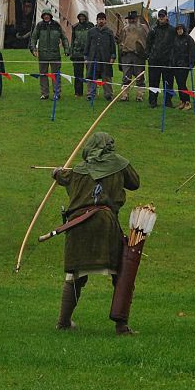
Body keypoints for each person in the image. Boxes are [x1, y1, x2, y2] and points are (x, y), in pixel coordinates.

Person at [52, 132, 140, 335]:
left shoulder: (78, 170)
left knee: (75, 275)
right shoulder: (119, 163)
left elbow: (63, 177)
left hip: (78, 224)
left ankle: (63, 322)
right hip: (105, 224)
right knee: (121, 274)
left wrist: (57, 173)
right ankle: (121, 326)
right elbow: (134, 182)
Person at [28, 7, 69, 100]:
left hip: (55, 55)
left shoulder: (57, 25)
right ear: (42, 16)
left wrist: (67, 49)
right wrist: (33, 49)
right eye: (44, 15)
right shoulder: (39, 25)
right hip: (43, 55)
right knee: (43, 75)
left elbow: (64, 37)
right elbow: (33, 38)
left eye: (47, 15)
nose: (46, 17)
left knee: (56, 75)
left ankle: (57, 93)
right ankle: (44, 93)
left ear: (50, 16)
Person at [144, 9, 176, 108]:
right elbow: (148, 44)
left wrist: (173, 58)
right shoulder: (153, 30)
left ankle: (168, 101)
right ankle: (152, 101)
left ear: (166, 17)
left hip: (167, 61)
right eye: (160, 16)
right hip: (154, 61)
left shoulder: (172, 30)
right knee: (153, 82)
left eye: (163, 16)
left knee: (168, 82)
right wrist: (148, 56)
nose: (161, 18)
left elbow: (175, 44)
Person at [116, 10, 148, 102]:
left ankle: (140, 95)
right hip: (127, 55)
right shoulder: (124, 29)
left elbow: (149, 40)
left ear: (137, 18)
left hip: (139, 55)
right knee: (126, 76)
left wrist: (145, 52)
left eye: (133, 18)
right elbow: (120, 41)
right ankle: (124, 95)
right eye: (130, 19)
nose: (131, 20)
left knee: (140, 76)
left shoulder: (144, 28)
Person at [85, 12, 117, 102]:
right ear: (97, 20)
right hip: (93, 57)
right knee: (92, 76)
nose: (101, 21)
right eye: (99, 19)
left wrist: (113, 57)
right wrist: (86, 57)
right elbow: (87, 45)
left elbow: (113, 46)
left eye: (102, 19)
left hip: (105, 58)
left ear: (105, 20)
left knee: (106, 76)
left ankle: (108, 94)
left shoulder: (109, 32)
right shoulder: (91, 32)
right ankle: (90, 94)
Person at [171, 23, 195, 110]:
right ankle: (182, 101)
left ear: (183, 29)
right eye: (178, 29)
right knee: (179, 84)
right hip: (176, 65)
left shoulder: (189, 39)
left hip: (184, 65)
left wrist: (191, 63)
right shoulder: (175, 39)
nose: (179, 30)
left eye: (180, 29)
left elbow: (192, 52)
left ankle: (187, 102)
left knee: (182, 84)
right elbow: (172, 52)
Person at [69, 9, 91, 98]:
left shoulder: (91, 26)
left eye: (83, 16)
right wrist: (71, 53)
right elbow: (72, 41)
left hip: (88, 53)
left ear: (86, 17)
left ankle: (90, 91)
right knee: (78, 74)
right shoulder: (75, 27)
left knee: (89, 73)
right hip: (77, 53)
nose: (82, 18)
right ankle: (78, 92)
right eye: (80, 16)